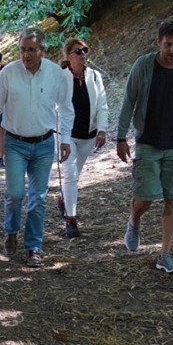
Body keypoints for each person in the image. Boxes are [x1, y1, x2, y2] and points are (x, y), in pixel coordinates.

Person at [116, 19, 173, 274]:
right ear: (159, 43)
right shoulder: (144, 66)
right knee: (145, 198)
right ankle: (134, 220)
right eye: (167, 44)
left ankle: (165, 255)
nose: (172, 50)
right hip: (148, 141)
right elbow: (129, 101)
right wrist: (121, 138)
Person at [0, 29, 74, 268]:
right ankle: (11, 230)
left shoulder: (56, 74)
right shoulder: (8, 74)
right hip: (15, 143)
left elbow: (65, 108)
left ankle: (33, 247)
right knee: (15, 194)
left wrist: (65, 139)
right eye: (22, 49)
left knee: (39, 198)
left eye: (31, 50)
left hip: (44, 144)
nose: (26, 55)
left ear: (42, 50)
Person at [58, 38, 110, 238]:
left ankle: (63, 198)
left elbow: (102, 106)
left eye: (85, 50)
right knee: (70, 173)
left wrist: (102, 129)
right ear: (69, 55)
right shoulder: (60, 77)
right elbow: (53, 105)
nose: (83, 54)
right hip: (66, 135)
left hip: (88, 134)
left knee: (75, 173)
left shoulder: (94, 76)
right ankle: (71, 219)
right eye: (78, 51)